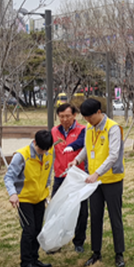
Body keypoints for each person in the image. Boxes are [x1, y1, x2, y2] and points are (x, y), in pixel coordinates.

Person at [68, 98, 126, 267]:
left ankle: (119, 253)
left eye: (90, 118)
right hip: (93, 181)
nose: (88, 121)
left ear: (99, 113)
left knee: (115, 216)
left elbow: (113, 155)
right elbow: (87, 148)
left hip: (111, 179)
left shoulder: (113, 128)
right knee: (95, 216)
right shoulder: (89, 128)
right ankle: (96, 252)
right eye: (85, 119)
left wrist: (97, 173)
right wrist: (77, 160)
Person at [4, 130, 55, 267]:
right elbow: (8, 177)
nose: (43, 152)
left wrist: (47, 192)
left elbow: (47, 175)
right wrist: (13, 194)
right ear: (34, 143)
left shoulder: (48, 154)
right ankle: (26, 264)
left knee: (38, 229)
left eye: (47, 149)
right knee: (29, 230)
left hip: (39, 198)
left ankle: (34, 259)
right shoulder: (21, 156)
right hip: (24, 199)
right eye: (41, 149)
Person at [51, 103, 88, 253]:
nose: (65, 119)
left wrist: (72, 146)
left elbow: (82, 143)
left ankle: (78, 241)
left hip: (77, 176)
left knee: (81, 210)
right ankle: (55, 241)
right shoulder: (54, 131)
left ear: (74, 115)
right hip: (60, 175)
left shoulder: (82, 130)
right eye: (61, 116)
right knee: (56, 209)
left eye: (67, 116)